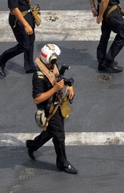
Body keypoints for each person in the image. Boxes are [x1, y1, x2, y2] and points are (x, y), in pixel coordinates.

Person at [26, 43, 78, 174]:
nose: (56, 62)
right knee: (59, 136)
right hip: (49, 109)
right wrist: (55, 89)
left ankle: (32, 145)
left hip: (58, 104)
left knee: (51, 131)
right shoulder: (39, 76)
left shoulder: (51, 66)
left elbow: (58, 78)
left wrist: (69, 85)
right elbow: (37, 98)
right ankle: (62, 163)